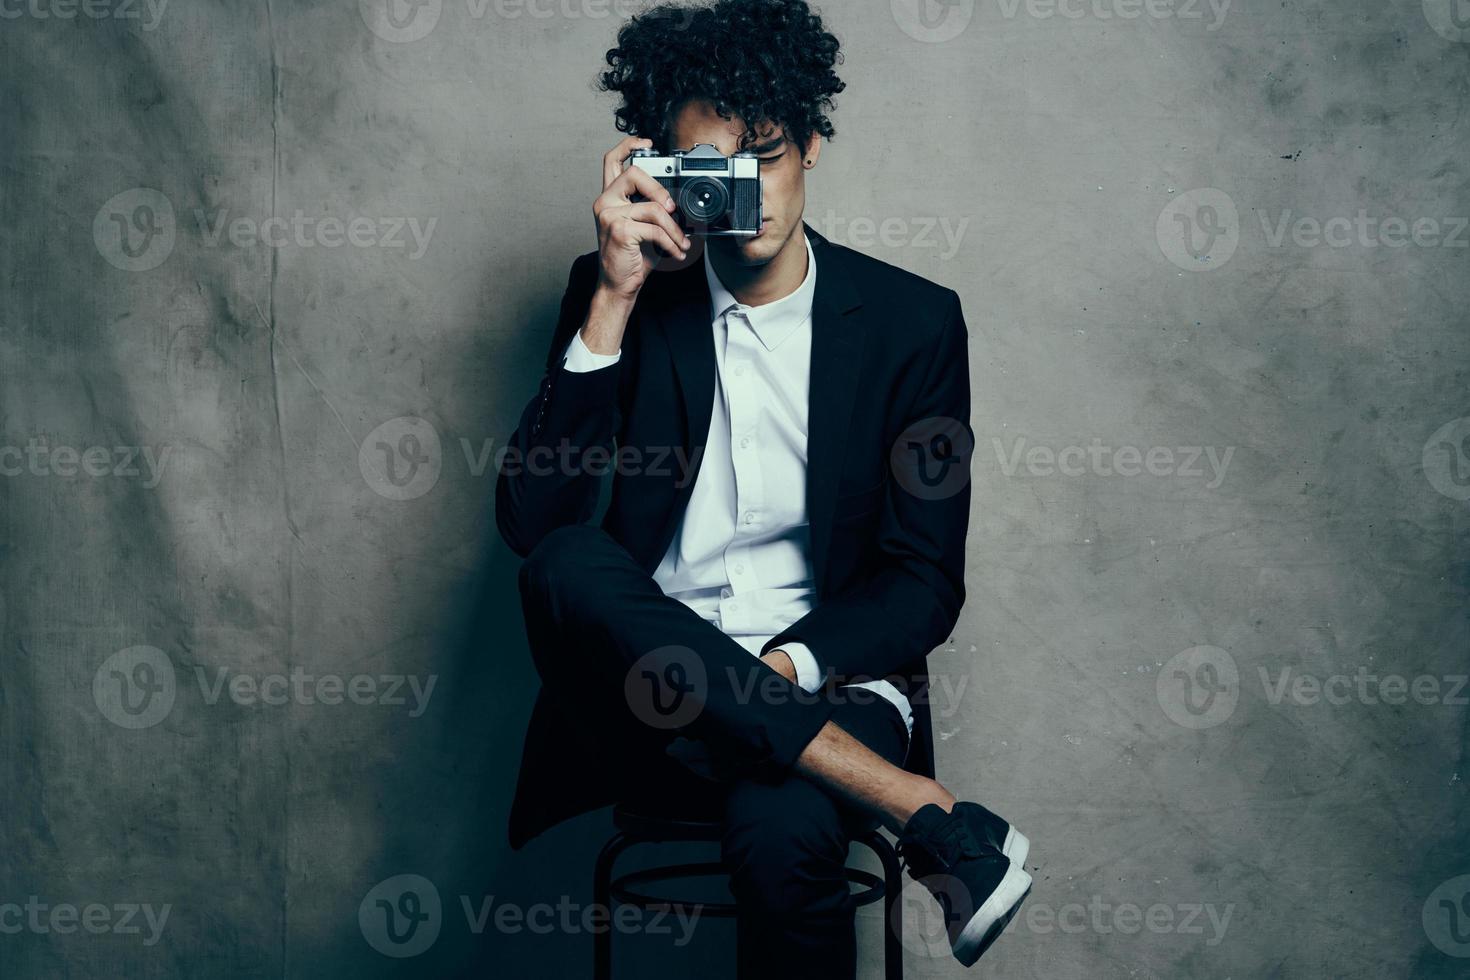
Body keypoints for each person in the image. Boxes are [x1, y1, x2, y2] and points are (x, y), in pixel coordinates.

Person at [496, 1, 1032, 973]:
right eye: (715, 168)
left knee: (783, 821)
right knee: (571, 558)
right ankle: (926, 812)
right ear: (663, 167)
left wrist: (778, 671)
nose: (750, 190)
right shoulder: (618, 291)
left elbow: (923, 581)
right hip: (647, 697)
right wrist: (615, 294)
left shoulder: (914, 324)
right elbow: (535, 527)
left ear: (813, 143)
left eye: (769, 154)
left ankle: (857, 774)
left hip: (831, 682)